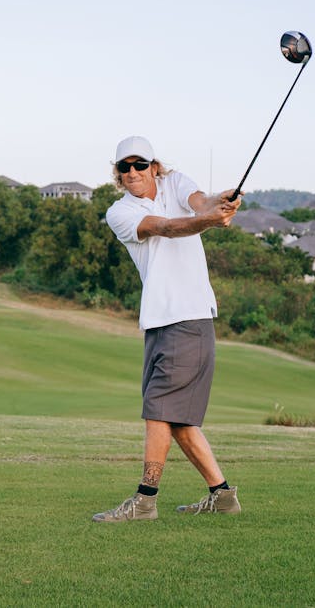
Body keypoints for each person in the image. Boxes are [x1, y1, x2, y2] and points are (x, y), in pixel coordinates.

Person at [92, 135, 242, 523]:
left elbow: (200, 203)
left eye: (139, 164)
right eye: (123, 167)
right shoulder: (120, 212)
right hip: (161, 321)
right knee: (176, 419)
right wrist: (208, 221)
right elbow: (167, 226)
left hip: (186, 318)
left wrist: (219, 204)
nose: (132, 172)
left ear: (154, 166)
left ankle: (145, 500)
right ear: (118, 174)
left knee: (159, 411)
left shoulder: (176, 183)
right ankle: (223, 496)